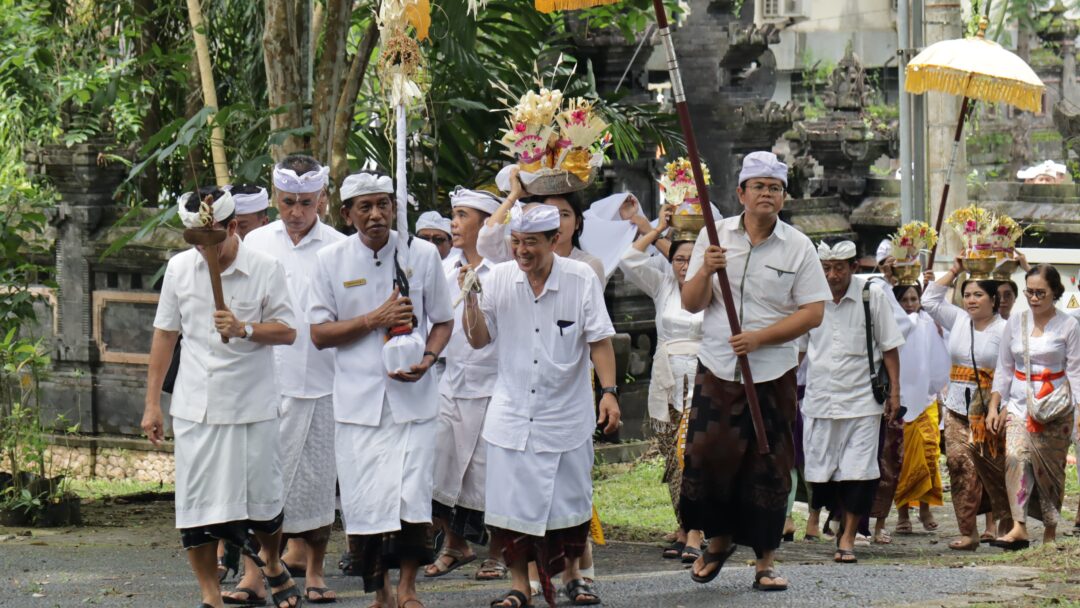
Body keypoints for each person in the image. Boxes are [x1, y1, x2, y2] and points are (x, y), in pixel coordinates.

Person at [141, 188, 301, 608]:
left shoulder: (265, 268)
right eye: (195, 241)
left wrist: (245, 328)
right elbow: (165, 335)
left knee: (264, 505)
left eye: (211, 239)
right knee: (195, 510)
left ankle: (271, 562)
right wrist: (152, 403)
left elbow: (288, 331)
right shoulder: (179, 269)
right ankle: (210, 596)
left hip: (252, 405)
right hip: (197, 406)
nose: (204, 250)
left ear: (233, 228)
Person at [679, 151, 828, 591]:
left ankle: (765, 561)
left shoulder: (798, 246)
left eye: (775, 188)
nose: (767, 194)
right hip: (718, 368)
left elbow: (813, 312)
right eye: (759, 186)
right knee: (709, 457)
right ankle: (718, 541)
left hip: (771, 372)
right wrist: (706, 270)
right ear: (741, 193)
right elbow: (691, 303)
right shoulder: (714, 236)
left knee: (768, 462)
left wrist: (761, 338)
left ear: (784, 197)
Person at [462, 203, 620, 608]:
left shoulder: (580, 278)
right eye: (516, 242)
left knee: (570, 505)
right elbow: (478, 339)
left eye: (531, 242)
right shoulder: (499, 278)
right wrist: (470, 302)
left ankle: (574, 577)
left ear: (554, 239)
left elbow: (599, 340)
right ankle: (520, 585)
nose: (521, 251)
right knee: (510, 510)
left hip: (565, 415)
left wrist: (609, 392)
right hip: (512, 416)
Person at [308, 171, 454, 608]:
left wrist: (428, 358)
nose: (376, 215)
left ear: (394, 208)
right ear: (347, 214)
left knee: (412, 497)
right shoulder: (330, 260)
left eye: (383, 205)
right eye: (365, 207)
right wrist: (374, 319)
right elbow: (319, 333)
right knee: (365, 501)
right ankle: (381, 592)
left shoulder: (421, 254)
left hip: (413, 401)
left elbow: (443, 320)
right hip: (358, 405)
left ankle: (408, 588)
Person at [239, 155, 345, 605]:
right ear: (275, 198)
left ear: (322, 199)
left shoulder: (340, 246)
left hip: (324, 380)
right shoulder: (255, 243)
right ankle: (253, 574)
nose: (296, 212)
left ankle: (315, 571)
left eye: (305, 202)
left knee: (318, 482)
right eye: (287, 202)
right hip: (265, 380)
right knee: (259, 483)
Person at [802, 238, 905, 563]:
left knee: (859, 471)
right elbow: (798, 348)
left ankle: (847, 537)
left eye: (839, 268)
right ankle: (834, 519)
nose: (832, 275)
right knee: (821, 473)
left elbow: (889, 347)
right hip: (820, 398)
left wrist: (895, 393)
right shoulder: (809, 296)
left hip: (862, 399)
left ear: (853, 267)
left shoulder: (871, 295)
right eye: (826, 268)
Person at [423, 188, 506, 581]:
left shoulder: (504, 269)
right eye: (453, 215)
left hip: (496, 384)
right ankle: (456, 544)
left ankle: (501, 551)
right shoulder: (444, 269)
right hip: (452, 381)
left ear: (487, 224)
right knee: (446, 466)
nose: (453, 224)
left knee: (492, 472)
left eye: (462, 216)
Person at [618, 203, 705, 563]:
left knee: (691, 455)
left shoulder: (713, 288)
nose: (684, 266)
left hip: (702, 379)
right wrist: (656, 229)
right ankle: (684, 526)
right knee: (672, 456)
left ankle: (697, 531)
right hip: (666, 379)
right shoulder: (662, 284)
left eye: (691, 259)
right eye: (679, 259)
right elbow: (628, 259)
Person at [921, 261, 1011, 550]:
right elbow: (929, 300)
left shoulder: (1005, 330)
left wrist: (1002, 408)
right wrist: (955, 270)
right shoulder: (959, 319)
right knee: (958, 465)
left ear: (993, 299)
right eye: (967, 295)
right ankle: (968, 532)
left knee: (994, 469)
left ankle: (1006, 527)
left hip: (991, 410)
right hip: (957, 406)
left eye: (978, 295)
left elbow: (1010, 371)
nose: (971, 300)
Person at [988, 264, 1080, 548]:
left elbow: (1076, 371)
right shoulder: (1016, 322)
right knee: (1015, 458)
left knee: (1050, 469)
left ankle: (1050, 529)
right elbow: (1004, 367)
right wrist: (994, 406)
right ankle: (1019, 526)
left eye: (1041, 292)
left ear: (1055, 292)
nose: (1034, 298)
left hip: (1056, 407)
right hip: (1019, 403)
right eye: (1030, 292)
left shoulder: (1069, 325)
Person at [883, 277, 948, 535]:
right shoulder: (892, 326)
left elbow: (936, 360)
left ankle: (924, 509)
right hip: (900, 400)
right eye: (904, 300)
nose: (910, 304)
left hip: (927, 400)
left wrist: (936, 393)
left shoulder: (928, 323)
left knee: (929, 455)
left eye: (914, 299)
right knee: (903, 458)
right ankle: (902, 514)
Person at [478, 167, 606, 287]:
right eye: (549, 214)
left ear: (577, 222)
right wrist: (514, 195)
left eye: (564, 214)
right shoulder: (522, 253)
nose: (556, 222)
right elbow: (486, 242)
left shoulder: (588, 266)